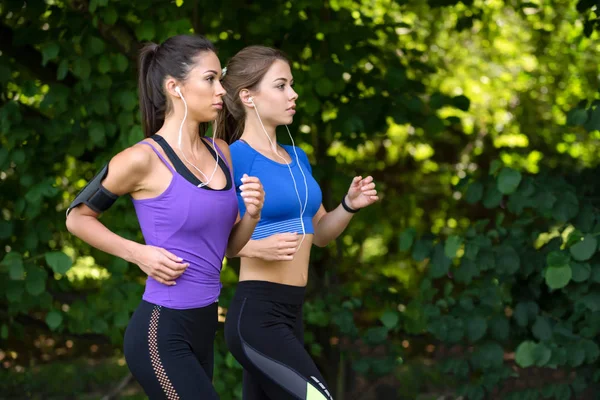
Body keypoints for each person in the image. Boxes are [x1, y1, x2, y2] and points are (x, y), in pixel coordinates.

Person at [66, 35, 264, 399]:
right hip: (160, 329)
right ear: (175, 87)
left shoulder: (221, 152)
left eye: (220, 78)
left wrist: (251, 213)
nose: (222, 89)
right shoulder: (142, 159)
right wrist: (138, 253)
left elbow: (229, 248)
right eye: (210, 79)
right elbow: (77, 217)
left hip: (204, 325)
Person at [216, 46, 379, 400]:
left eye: (292, 85)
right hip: (257, 315)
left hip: (292, 312)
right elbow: (213, 239)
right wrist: (258, 246)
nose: (293, 94)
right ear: (248, 97)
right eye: (281, 85)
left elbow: (319, 234)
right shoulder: (233, 156)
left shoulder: (298, 157)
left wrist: (349, 206)